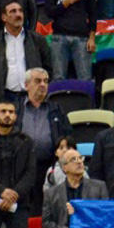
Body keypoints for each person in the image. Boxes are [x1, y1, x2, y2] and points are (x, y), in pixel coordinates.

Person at [0, 1, 52, 109]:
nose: (18, 14)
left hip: (31, 97)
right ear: (4, 17)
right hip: (4, 97)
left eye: (20, 11)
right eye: (13, 11)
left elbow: (48, 69)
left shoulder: (38, 41)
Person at [16, 68, 73, 213]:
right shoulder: (16, 109)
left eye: (46, 81)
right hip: (21, 168)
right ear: (26, 85)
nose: (43, 85)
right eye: (38, 81)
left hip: (48, 167)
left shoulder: (56, 109)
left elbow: (68, 137)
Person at [45, 0, 97, 81]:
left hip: (82, 38)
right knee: (58, 78)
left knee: (85, 78)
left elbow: (93, 14)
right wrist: (69, 0)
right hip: (58, 38)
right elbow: (49, 12)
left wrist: (92, 38)